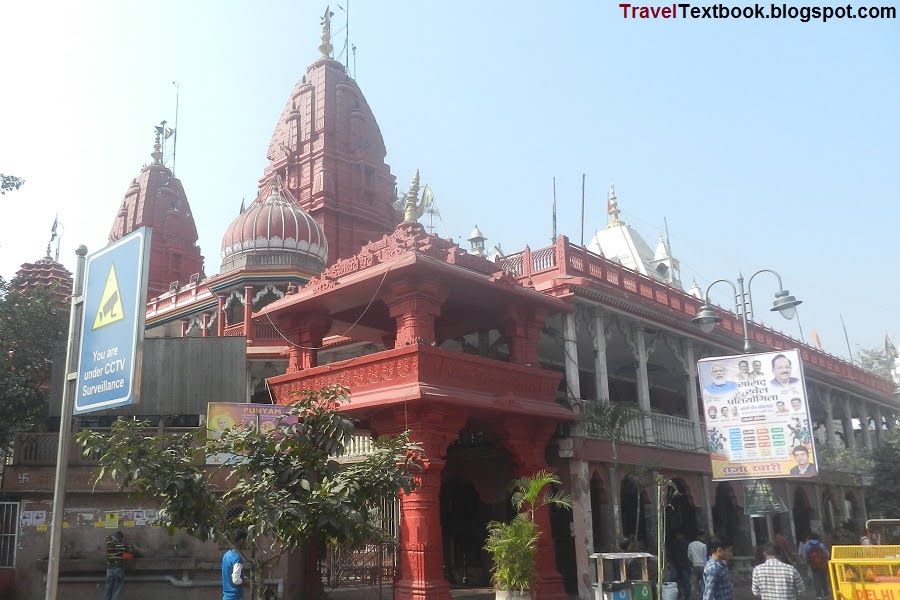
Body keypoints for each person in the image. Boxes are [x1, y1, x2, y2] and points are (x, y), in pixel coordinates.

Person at [702, 535, 733, 600]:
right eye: (729, 551)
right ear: (719, 550)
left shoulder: (721, 565)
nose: (731, 554)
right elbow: (708, 594)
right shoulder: (713, 569)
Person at [104, 530, 130, 600]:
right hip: (119, 570)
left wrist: (113, 537)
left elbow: (108, 538)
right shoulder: (122, 547)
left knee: (108, 590)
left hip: (110, 570)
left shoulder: (109, 545)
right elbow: (129, 555)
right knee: (116, 591)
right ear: (121, 538)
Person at [223, 530, 248, 600]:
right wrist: (245, 581)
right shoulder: (237, 558)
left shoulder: (226, 555)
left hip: (226, 597)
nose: (246, 543)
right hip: (236, 596)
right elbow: (236, 580)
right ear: (241, 541)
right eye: (245, 541)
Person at [804, 532, 830, 600]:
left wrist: (808, 563)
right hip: (822, 564)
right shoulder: (821, 545)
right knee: (823, 578)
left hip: (813, 566)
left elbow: (806, 556)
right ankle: (826, 592)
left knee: (816, 580)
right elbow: (826, 554)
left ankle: (819, 595)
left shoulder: (807, 546)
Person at [687, 531, 707, 600]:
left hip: (695, 565)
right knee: (703, 583)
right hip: (703, 566)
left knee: (694, 583)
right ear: (699, 536)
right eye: (703, 536)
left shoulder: (690, 545)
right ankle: (703, 597)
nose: (704, 538)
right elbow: (705, 557)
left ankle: (692, 597)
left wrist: (693, 561)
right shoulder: (704, 546)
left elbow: (689, 556)